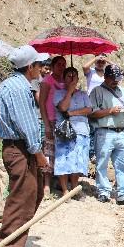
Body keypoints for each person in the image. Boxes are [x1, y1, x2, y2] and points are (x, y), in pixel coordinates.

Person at [0, 45, 50, 247]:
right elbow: (26, 125)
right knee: (23, 198)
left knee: (30, 195)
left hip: (19, 147)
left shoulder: (14, 85)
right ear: (30, 67)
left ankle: (5, 238)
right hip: (21, 149)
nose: (41, 68)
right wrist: (38, 154)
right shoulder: (18, 89)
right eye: (39, 65)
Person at [89, 64, 124, 205]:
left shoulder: (123, 91)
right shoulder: (97, 91)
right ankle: (103, 191)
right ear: (105, 77)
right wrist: (109, 111)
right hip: (104, 132)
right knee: (102, 163)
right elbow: (91, 113)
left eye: (117, 78)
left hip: (122, 132)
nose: (115, 81)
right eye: (113, 78)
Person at [53, 67, 92, 200]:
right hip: (64, 131)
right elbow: (63, 107)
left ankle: (75, 189)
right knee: (63, 159)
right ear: (63, 78)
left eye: (74, 76)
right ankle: (65, 191)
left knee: (77, 161)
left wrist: (72, 113)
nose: (72, 78)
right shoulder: (58, 93)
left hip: (81, 130)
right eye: (69, 76)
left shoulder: (83, 94)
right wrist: (69, 91)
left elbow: (89, 109)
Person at [38, 55, 66, 196]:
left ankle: (60, 182)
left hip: (63, 121)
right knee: (48, 152)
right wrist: (46, 124)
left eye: (64, 64)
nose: (62, 67)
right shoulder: (46, 81)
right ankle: (46, 185)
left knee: (61, 151)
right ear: (53, 66)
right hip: (50, 119)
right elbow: (42, 103)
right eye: (59, 64)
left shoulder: (67, 80)